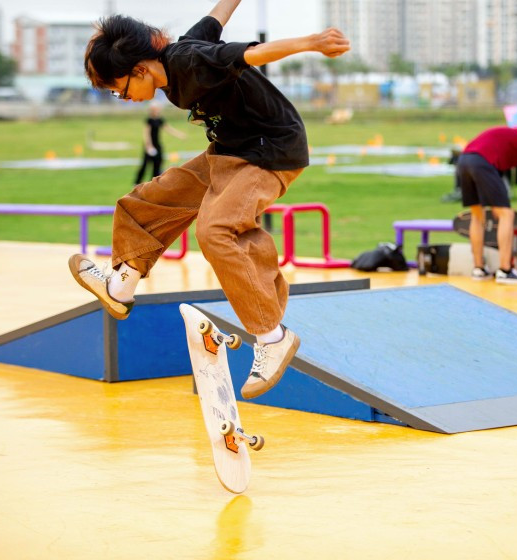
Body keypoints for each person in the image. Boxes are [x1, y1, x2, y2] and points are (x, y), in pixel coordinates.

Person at [68, 0, 350, 399]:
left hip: (269, 151)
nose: (124, 98)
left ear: (140, 69)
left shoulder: (191, 61)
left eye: (120, 90)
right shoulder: (183, 51)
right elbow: (219, 16)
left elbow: (251, 54)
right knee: (147, 202)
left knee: (217, 230)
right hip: (229, 151)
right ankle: (121, 288)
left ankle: (272, 337)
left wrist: (311, 42)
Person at [456, 122, 517, 285]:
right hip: (481, 162)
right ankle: (505, 270)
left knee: (477, 216)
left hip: (464, 161)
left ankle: (479, 269)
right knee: (507, 214)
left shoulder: (514, 137)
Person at [133, 100, 186, 185]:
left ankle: (153, 183)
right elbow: (146, 134)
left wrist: (180, 135)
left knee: (158, 164)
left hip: (157, 145)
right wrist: (149, 146)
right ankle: (137, 182)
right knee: (145, 164)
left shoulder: (160, 120)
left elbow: (169, 129)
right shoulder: (149, 120)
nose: (156, 111)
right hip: (149, 145)